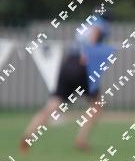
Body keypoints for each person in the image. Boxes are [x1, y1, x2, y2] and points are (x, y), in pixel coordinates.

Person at [20, 11, 112, 152]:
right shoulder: (101, 24)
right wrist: (88, 57)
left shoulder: (86, 24)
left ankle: (29, 134)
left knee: (53, 103)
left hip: (68, 63)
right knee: (97, 105)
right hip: (83, 66)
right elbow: (93, 37)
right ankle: (81, 139)